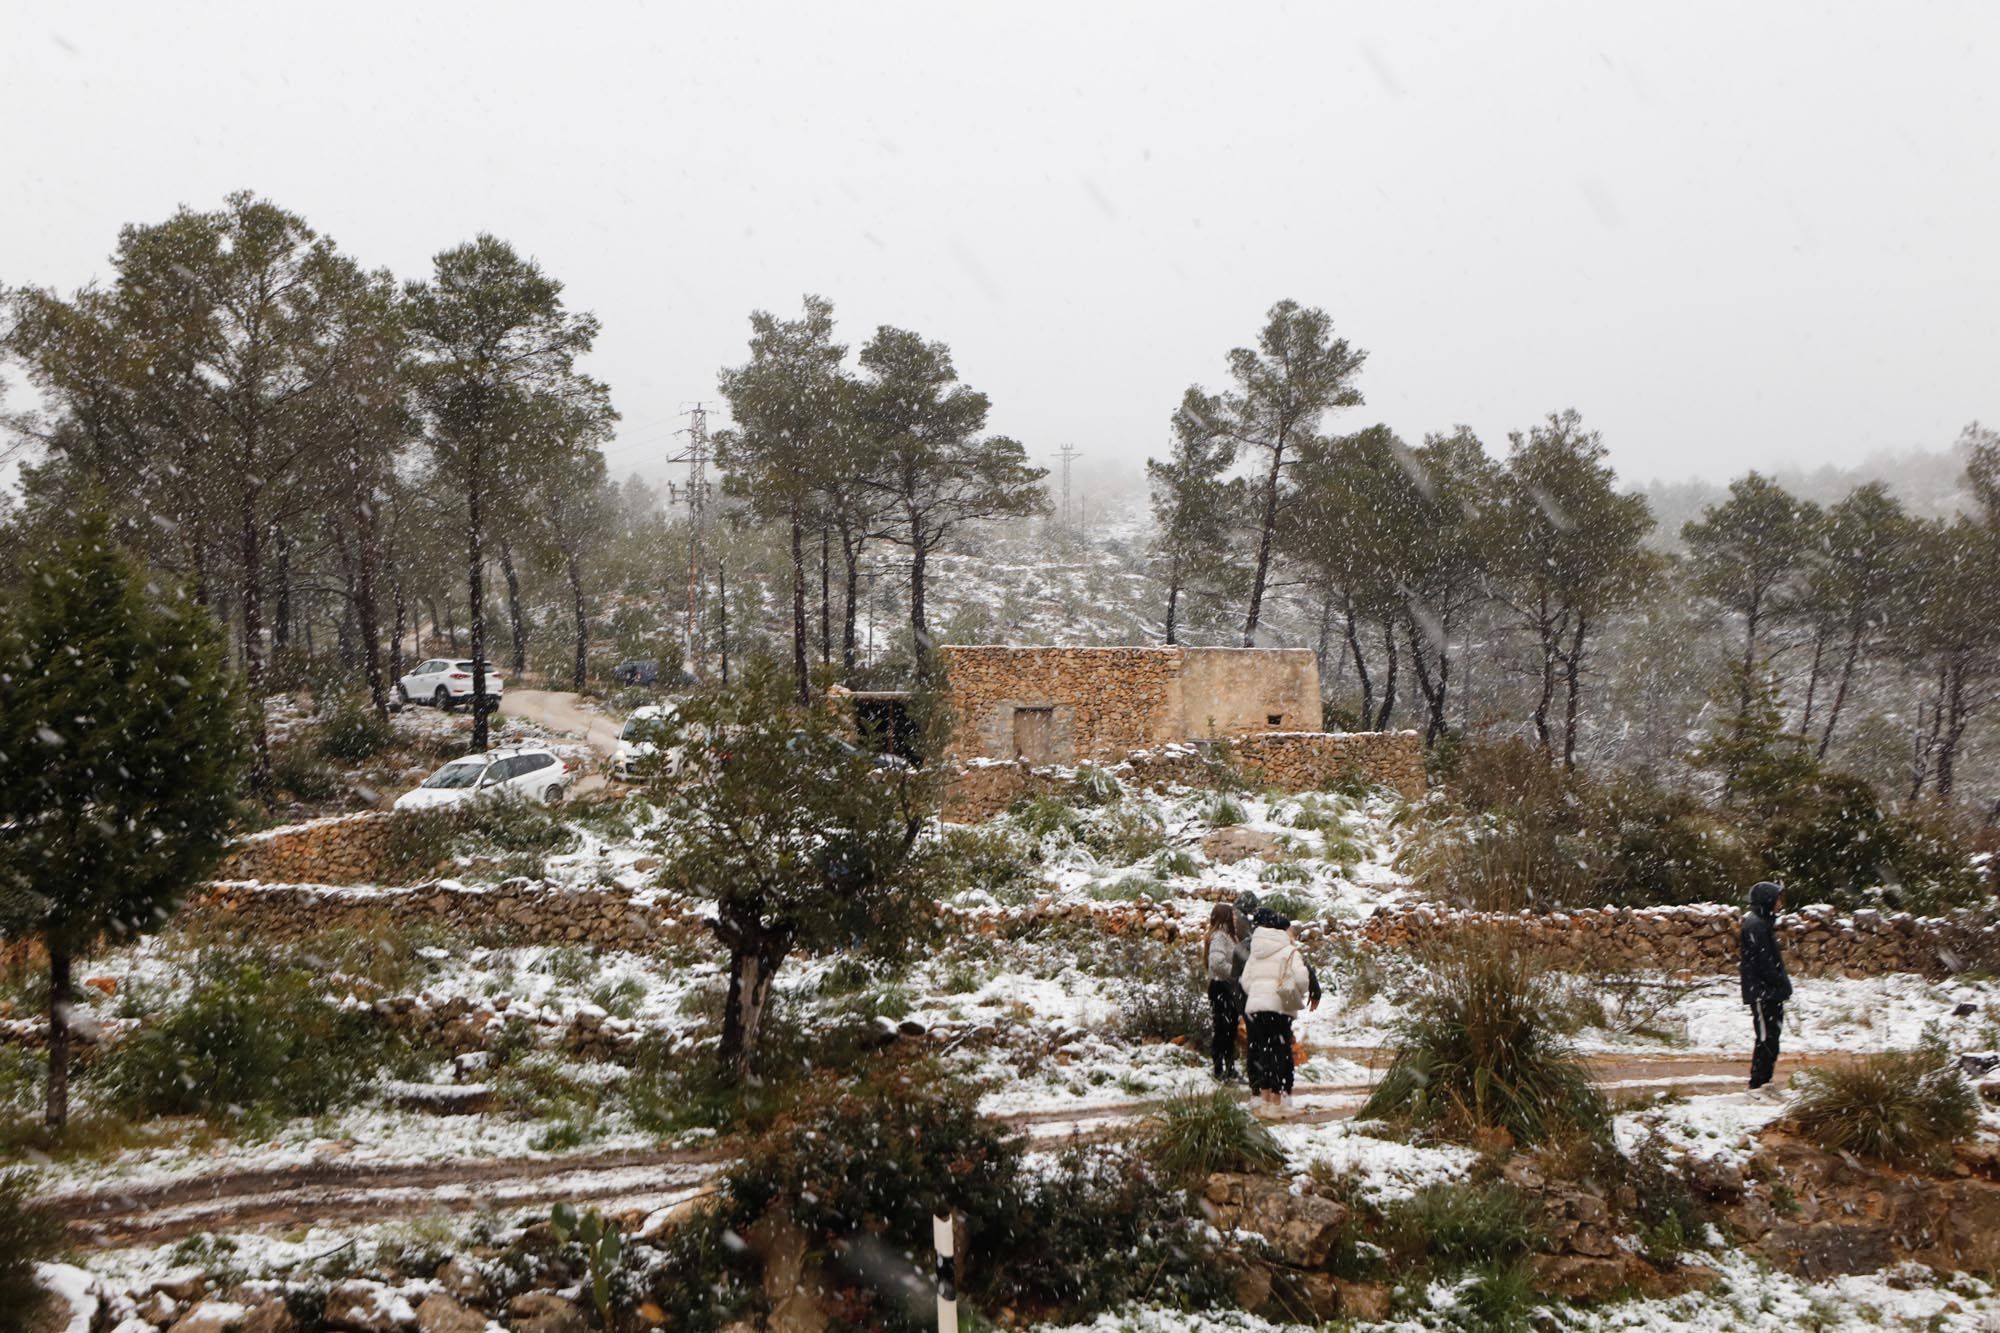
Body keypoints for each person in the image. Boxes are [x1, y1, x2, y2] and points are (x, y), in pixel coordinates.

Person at [1240, 909, 1312, 1114]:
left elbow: (1245, 981)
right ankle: (1278, 1102)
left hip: (1255, 1007)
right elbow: (1302, 980)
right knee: (1279, 1052)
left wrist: (1258, 992)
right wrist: (1291, 991)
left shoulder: (1255, 952)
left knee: (1263, 1052)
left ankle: (1264, 1102)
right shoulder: (1289, 951)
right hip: (1279, 1007)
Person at [1739, 880, 1792, 1098]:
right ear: (1768, 899)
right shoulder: (1756, 925)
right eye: (1777, 898)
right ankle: (1757, 1084)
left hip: (1770, 992)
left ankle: (1765, 1081)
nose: (1780, 904)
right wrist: (1780, 983)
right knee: (1765, 1038)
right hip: (1763, 992)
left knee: (1772, 1037)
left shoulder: (1762, 922)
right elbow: (1764, 962)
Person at [1202, 904, 1244, 1082]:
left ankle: (1228, 1067)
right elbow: (1217, 963)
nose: (1235, 918)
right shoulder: (1220, 937)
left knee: (1229, 1029)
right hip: (1222, 987)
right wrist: (1236, 974)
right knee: (1223, 1029)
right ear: (1226, 917)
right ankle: (1220, 1069)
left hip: (1225, 988)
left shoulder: (1226, 936)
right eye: (1232, 915)